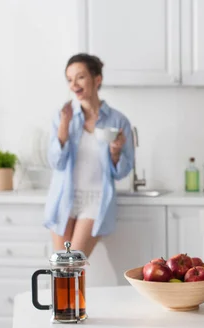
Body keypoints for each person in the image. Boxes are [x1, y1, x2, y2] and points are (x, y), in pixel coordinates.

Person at [44, 53, 134, 257]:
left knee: (74, 262)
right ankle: (64, 292)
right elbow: (55, 162)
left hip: (95, 199)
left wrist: (115, 151)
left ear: (97, 79)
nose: (73, 84)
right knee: (61, 267)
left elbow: (122, 172)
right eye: (69, 79)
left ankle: (73, 290)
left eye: (80, 77)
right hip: (64, 197)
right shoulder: (63, 117)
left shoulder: (118, 121)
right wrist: (64, 126)